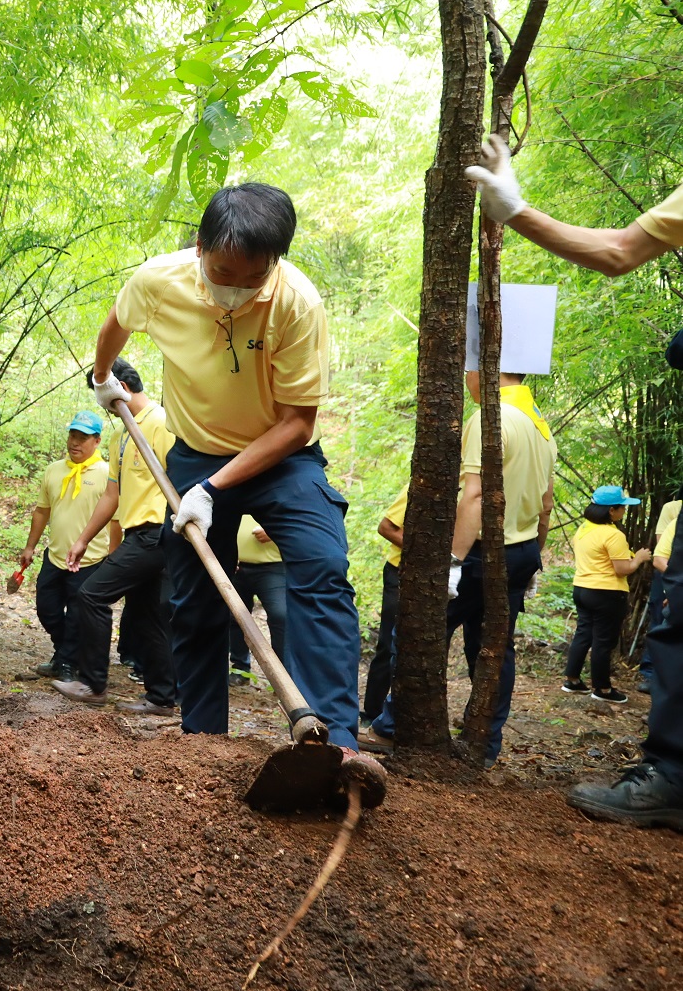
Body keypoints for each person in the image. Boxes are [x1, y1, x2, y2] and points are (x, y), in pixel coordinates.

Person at [88, 183, 379, 798]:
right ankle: (203, 741)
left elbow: (298, 422)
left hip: (282, 457)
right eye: (223, 274)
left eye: (253, 278)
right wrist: (103, 376)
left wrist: (214, 488)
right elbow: (118, 321)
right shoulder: (158, 281)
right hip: (196, 450)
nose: (236, 289)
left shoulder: (296, 303)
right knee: (194, 598)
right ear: (200, 247)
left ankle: (338, 749)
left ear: (275, 262)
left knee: (322, 569)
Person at [468, 136, 683, 827]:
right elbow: (619, 250)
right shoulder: (536, 426)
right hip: (533, 562)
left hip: (506, 557)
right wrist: (516, 210)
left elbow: (481, 494)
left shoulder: (502, 420)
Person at [366, 370, 556, 764]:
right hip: (519, 550)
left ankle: (393, 728)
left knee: (418, 629)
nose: (467, 376)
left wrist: (453, 562)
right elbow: (546, 505)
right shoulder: (540, 425)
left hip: (479, 552)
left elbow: (474, 496)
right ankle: (483, 745)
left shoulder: (490, 418)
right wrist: (534, 556)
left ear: (487, 368)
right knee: (493, 647)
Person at [54, 359, 178, 713]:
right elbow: (112, 494)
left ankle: (93, 684)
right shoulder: (119, 434)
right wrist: (83, 539)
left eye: (102, 395)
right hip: (135, 533)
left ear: (121, 387)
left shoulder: (161, 422)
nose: (103, 404)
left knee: (91, 595)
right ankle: (161, 697)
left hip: (158, 533)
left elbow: (182, 479)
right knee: (145, 616)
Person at [18, 410, 116, 681]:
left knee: (76, 615)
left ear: (97, 441)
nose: (75, 442)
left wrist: (113, 556)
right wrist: (30, 547)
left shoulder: (108, 474)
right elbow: (42, 511)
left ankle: (67, 664)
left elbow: (116, 519)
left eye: (83, 437)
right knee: (46, 608)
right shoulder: (54, 470)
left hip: (90, 559)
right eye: (73, 435)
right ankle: (65, 655)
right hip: (55, 555)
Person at [564, 487, 650, 703]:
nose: (625, 511)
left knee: (583, 633)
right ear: (611, 510)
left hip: (582, 588)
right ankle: (602, 689)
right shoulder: (613, 535)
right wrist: (639, 558)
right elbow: (622, 569)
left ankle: (572, 680)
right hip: (607, 593)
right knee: (603, 641)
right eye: (623, 507)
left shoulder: (584, 528)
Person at [360, 484, 407, 724]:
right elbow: (386, 527)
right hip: (400, 571)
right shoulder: (419, 486)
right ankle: (372, 713)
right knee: (389, 644)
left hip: (447, 577)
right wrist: (428, 553)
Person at [227, 516, 287, 684]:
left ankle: (283, 675)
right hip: (236, 565)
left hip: (273, 566)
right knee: (234, 616)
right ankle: (240, 668)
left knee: (280, 615)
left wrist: (274, 530)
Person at [637, 491, 680, 694]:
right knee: (660, 623)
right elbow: (660, 556)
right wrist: (677, 582)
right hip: (672, 579)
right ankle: (651, 674)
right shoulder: (674, 512)